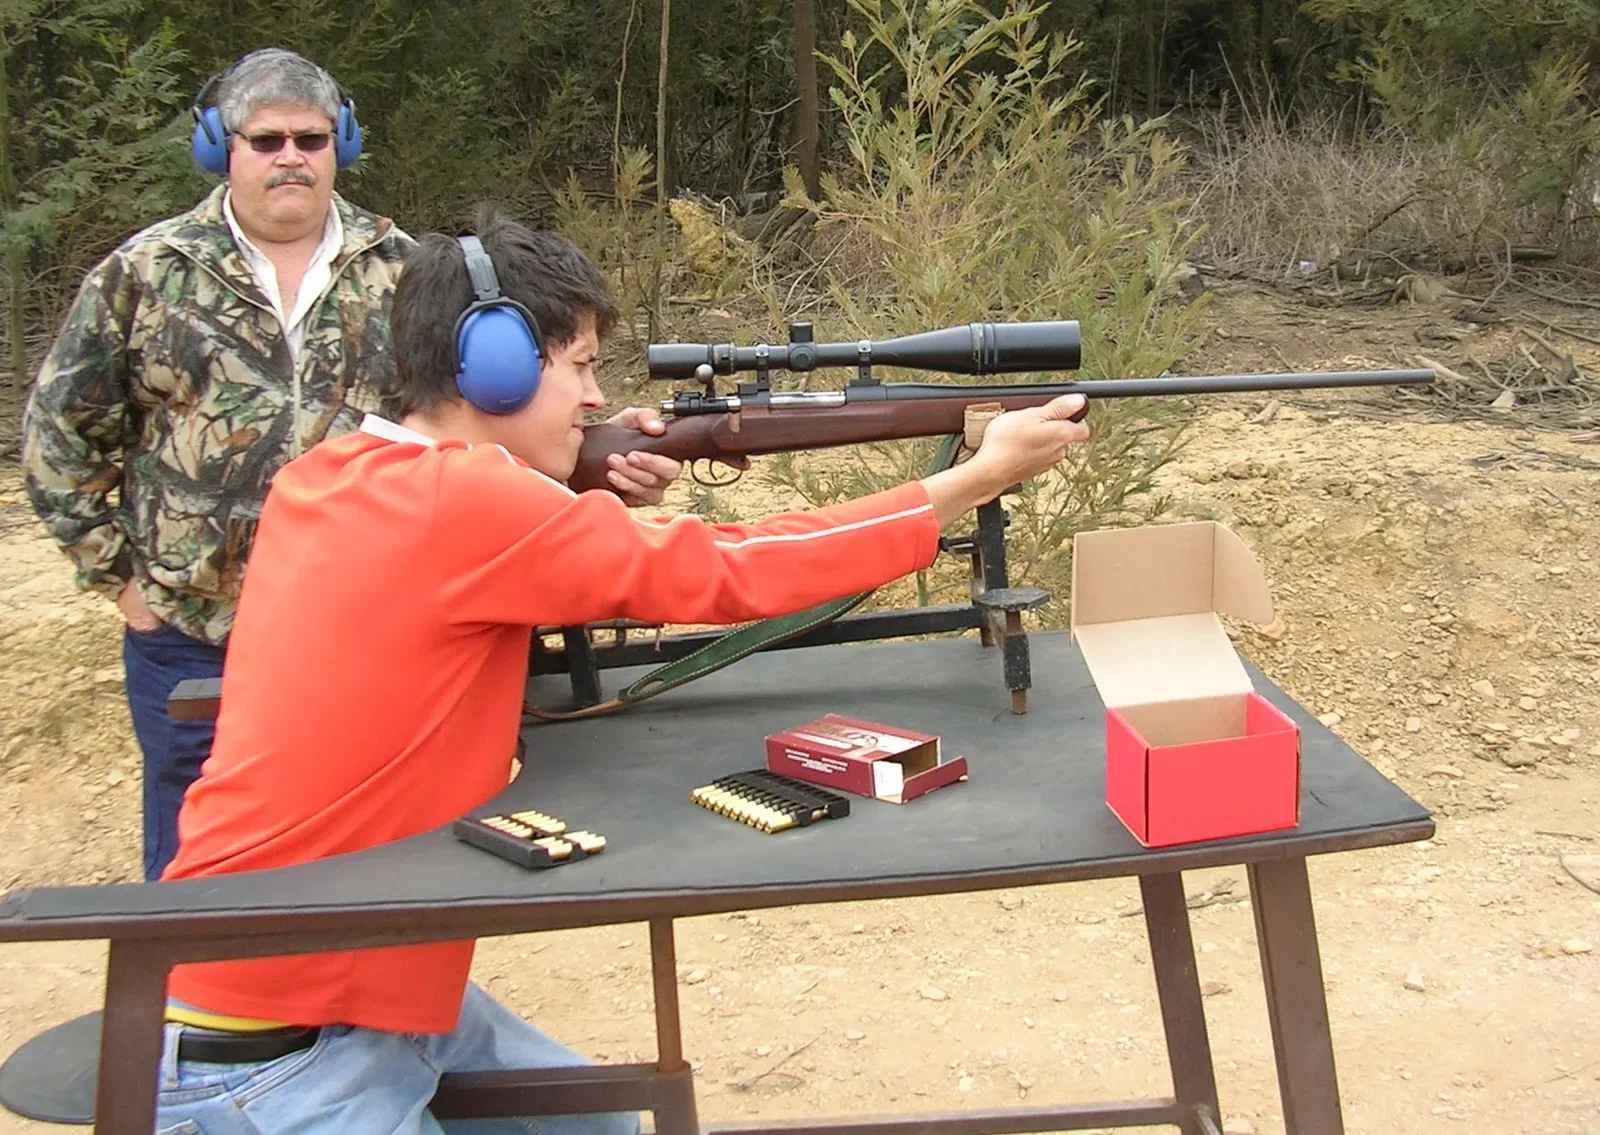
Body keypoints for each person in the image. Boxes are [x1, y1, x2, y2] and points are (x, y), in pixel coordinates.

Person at [149, 206, 1094, 1133]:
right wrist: (973, 479)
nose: (597, 400)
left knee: (603, 1119)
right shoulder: (467, 501)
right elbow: (730, 568)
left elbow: (456, 564)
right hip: (278, 1054)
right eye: (581, 367)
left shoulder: (331, 474)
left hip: (337, 980)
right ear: (496, 365)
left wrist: (567, 483)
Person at [20, 47, 679, 882]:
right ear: (222, 147)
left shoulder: (407, 269)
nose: (290, 156)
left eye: (311, 137)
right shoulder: (144, 274)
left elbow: (487, 422)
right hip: (196, 636)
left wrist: (596, 451)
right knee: (197, 877)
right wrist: (130, 589)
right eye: (265, 141)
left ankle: (359, 1014)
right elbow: (60, 440)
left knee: (367, 871)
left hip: (370, 634)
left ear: (343, 145)